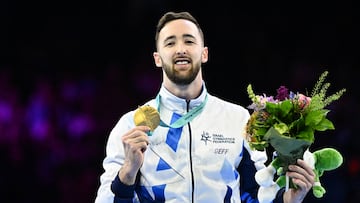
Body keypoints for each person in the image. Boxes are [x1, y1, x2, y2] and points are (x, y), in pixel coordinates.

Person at [95, 11, 315, 203]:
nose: (180, 49)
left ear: (204, 53)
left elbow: (257, 194)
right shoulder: (129, 126)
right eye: (170, 43)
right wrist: (127, 172)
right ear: (157, 58)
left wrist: (287, 200)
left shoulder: (237, 119)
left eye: (189, 41)